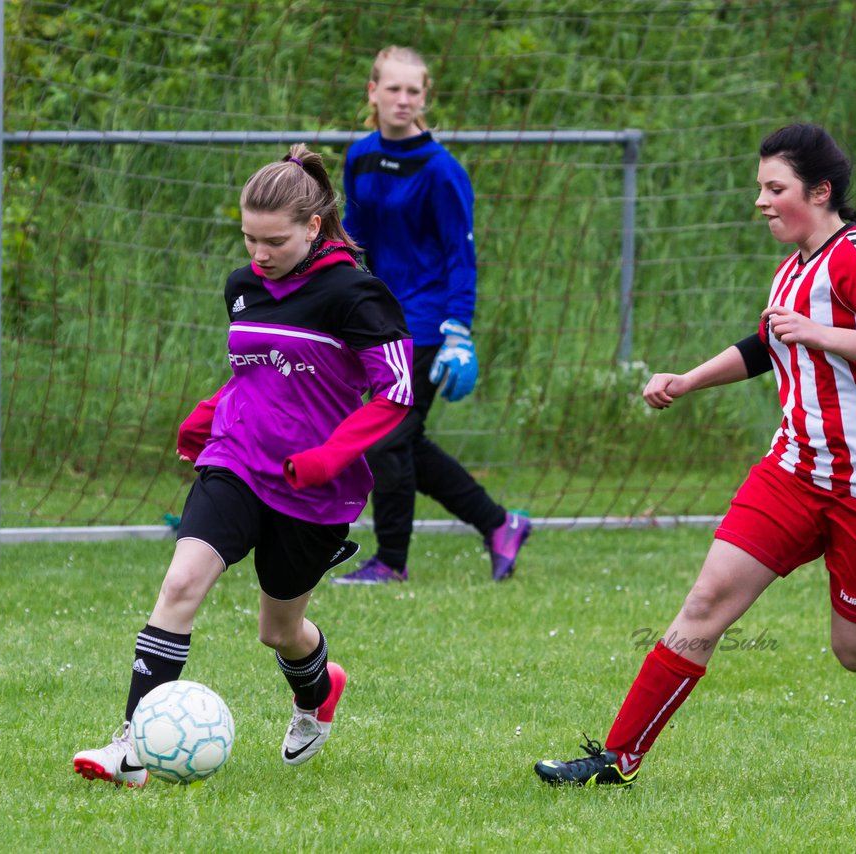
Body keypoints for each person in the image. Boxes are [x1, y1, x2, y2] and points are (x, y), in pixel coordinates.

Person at [534, 123, 856, 788]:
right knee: (705, 602)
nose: (762, 201)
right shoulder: (792, 269)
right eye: (759, 187)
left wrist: (824, 333)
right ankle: (616, 759)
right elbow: (769, 344)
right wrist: (688, 380)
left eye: (776, 188)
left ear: (820, 192)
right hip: (794, 471)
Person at [72, 143, 414, 787]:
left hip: (313, 489)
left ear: (313, 228)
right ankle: (129, 747)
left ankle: (317, 693)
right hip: (235, 463)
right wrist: (210, 411)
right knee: (179, 587)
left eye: (274, 241)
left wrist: (328, 456)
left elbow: (395, 392)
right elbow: (255, 375)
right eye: (248, 238)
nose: (258, 255)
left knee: (280, 631)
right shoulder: (242, 287)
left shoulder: (355, 295)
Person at [332, 45, 531, 585]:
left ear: (425, 97)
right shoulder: (360, 156)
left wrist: (458, 331)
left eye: (413, 91)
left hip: (424, 322)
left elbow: (458, 258)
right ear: (372, 92)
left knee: (387, 438)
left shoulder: (443, 171)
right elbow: (357, 237)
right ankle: (499, 523)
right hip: (374, 318)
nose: (402, 99)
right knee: (406, 440)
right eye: (392, 89)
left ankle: (390, 562)